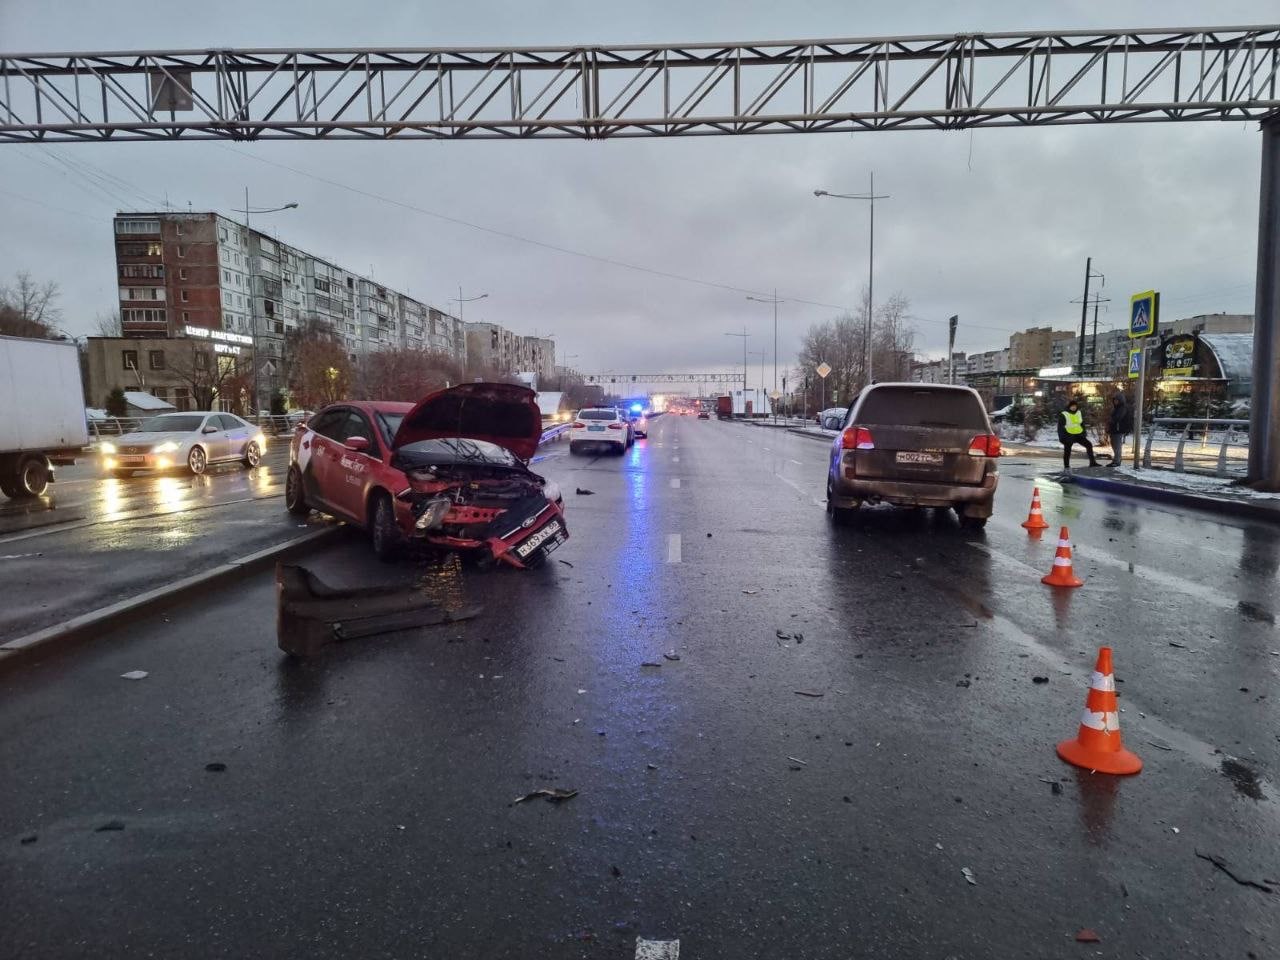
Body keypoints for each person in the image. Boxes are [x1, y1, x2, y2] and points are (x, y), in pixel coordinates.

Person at [1057, 397, 1099, 470]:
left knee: (1089, 445)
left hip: (1078, 435)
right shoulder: (1064, 414)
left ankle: (1093, 462)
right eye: (1072, 406)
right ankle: (1066, 466)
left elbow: (1081, 423)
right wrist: (1062, 438)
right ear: (1069, 406)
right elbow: (1060, 427)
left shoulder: (1078, 413)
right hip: (1068, 435)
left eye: (1075, 406)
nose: (1074, 408)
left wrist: (1084, 432)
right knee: (1067, 450)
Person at [1106, 390, 1134, 467]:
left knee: (1117, 446)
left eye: (1117, 400)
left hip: (1118, 430)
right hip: (1115, 429)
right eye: (1114, 400)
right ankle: (1116, 460)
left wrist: (1111, 420)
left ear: (1120, 400)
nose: (1115, 402)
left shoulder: (1122, 408)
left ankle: (1117, 461)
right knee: (1114, 445)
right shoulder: (1117, 408)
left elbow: (1117, 418)